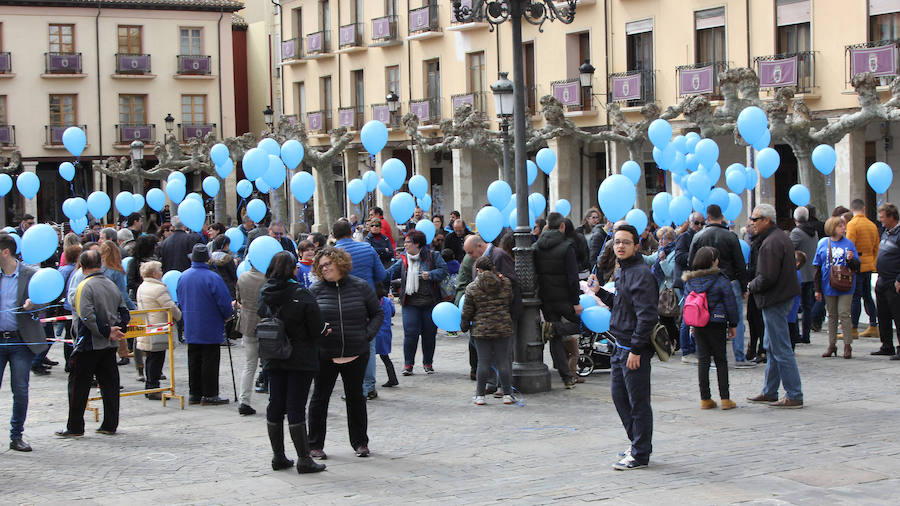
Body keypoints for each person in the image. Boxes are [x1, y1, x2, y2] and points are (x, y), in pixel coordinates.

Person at [585, 224, 658, 470]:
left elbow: (647, 315)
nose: (620, 246)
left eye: (626, 242)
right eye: (617, 242)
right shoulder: (624, 270)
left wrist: (637, 349)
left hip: (632, 348)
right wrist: (600, 293)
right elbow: (622, 304)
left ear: (636, 246)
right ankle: (637, 443)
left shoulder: (641, 273)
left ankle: (640, 453)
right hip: (619, 343)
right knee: (619, 397)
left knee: (637, 402)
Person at [307, 247, 384, 459]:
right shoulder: (315, 291)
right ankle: (314, 444)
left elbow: (377, 313)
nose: (324, 269)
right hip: (325, 354)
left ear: (339, 263)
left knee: (356, 399)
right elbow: (308, 321)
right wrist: (317, 336)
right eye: (320, 266)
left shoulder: (360, 286)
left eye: (327, 264)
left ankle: (360, 442)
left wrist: (366, 335)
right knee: (319, 399)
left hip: (356, 353)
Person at [258, 251, 328, 474]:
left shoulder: (265, 292)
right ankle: (304, 458)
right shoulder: (302, 294)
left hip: (273, 353)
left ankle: (278, 456)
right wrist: (324, 330)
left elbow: (262, 315)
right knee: (296, 406)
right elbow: (316, 328)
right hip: (300, 356)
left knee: (275, 403)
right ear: (291, 269)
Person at [56, 249, 130, 438]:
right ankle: (110, 423)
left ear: (82, 266)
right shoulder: (111, 284)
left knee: (78, 387)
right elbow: (124, 311)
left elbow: (87, 316)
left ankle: (75, 426)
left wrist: (107, 331)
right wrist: (117, 329)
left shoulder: (84, 286)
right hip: (107, 344)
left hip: (88, 343)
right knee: (110, 385)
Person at [746, 204, 803, 409]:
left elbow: (767, 277)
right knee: (772, 346)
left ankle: (794, 393)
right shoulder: (777, 238)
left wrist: (751, 286)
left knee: (780, 348)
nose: (751, 222)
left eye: (755, 219)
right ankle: (770, 391)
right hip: (779, 297)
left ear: (766, 220)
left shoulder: (771, 242)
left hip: (775, 299)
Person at [688, 204, 753, 368]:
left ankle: (705, 355)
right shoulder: (730, 237)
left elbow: (691, 262)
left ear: (707, 218)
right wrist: (744, 286)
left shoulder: (698, 236)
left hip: (704, 283)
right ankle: (739, 356)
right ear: (721, 216)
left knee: (703, 316)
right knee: (735, 317)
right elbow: (740, 263)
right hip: (729, 281)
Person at [0, 233, 47, 451]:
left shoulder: (30, 275)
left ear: (5, 252)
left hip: (20, 341)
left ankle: (16, 435)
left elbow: (44, 303)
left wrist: (34, 305)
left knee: (20, 389)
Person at [333, 219, 387, 399]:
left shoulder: (332, 254)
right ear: (351, 231)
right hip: (367, 301)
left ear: (333, 235)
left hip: (342, 304)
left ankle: (355, 388)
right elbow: (382, 274)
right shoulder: (367, 248)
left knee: (347, 347)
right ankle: (368, 386)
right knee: (369, 345)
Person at [682, 246, 739, 410]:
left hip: (699, 323)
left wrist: (691, 323)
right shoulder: (720, 279)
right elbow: (730, 303)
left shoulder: (690, 281)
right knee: (721, 360)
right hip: (717, 322)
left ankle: (705, 398)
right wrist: (733, 324)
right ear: (712, 261)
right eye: (716, 259)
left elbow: (688, 304)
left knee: (703, 360)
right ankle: (725, 398)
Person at [177, 244, 234, 406]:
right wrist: (227, 315)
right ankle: (209, 394)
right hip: (210, 324)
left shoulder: (184, 276)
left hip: (191, 324)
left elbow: (180, 298)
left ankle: (194, 393)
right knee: (210, 359)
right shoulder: (213, 277)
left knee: (194, 359)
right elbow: (224, 302)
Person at [388, 230, 447, 375]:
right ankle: (408, 364)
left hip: (430, 303)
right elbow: (388, 273)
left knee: (429, 334)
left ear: (417, 243)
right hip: (410, 303)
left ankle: (428, 363)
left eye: (408, 242)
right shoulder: (403, 259)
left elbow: (444, 270)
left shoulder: (433, 256)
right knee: (410, 334)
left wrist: (430, 275)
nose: (405, 245)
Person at [534, 213, 582, 388]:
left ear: (547, 226)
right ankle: (567, 377)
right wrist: (576, 301)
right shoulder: (566, 246)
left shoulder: (537, 246)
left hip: (546, 298)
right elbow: (572, 277)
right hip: (564, 298)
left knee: (555, 337)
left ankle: (567, 377)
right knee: (582, 325)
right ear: (562, 226)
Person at [460, 256, 515, 405]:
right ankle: (507, 395)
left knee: (483, 363)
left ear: (478, 269)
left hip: (481, 329)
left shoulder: (472, 287)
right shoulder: (506, 284)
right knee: (503, 362)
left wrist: (464, 325)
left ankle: (480, 396)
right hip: (503, 327)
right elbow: (510, 301)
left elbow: (467, 311)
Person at [813, 216, 860, 358]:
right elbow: (817, 268)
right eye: (840, 226)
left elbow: (857, 266)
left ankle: (847, 345)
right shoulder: (823, 243)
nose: (843, 229)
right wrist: (817, 289)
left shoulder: (849, 244)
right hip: (829, 283)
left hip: (846, 284)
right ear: (832, 228)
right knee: (832, 315)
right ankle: (832, 344)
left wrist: (851, 260)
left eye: (843, 226)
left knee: (844, 314)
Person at [135, 260, 181, 399]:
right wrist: (178, 315)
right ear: (154, 273)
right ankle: (153, 387)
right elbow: (170, 307)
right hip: (158, 327)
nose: (162, 272)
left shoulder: (143, 286)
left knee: (151, 357)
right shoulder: (158, 288)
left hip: (148, 326)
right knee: (156, 358)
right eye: (160, 269)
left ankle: (151, 386)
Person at [846, 199, 880, 339]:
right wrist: (873, 262)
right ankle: (873, 325)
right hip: (869, 265)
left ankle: (853, 328)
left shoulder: (852, 225)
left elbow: (849, 246)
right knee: (867, 296)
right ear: (864, 208)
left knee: (855, 297)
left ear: (852, 209)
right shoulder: (872, 225)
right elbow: (876, 247)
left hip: (857, 265)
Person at [235, 263, 266, 416]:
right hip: (266, 325)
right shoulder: (267, 278)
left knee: (249, 364)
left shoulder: (242, 277)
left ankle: (244, 400)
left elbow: (239, 299)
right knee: (270, 364)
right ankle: (276, 400)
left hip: (248, 323)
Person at [674, 212, 704, 362]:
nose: (699, 226)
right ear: (691, 223)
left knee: (696, 314)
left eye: (702, 223)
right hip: (686, 281)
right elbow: (679, 257)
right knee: (688, 315)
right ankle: (686, 350)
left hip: (697, 280)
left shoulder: (701, 236)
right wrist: (697, 257)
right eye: (697, 223)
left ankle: (693, 347)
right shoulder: (685, 237)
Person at [873, 203, 900, 359]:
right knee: (882, 314)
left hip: (893, 281)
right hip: (882, 280)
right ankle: (886, 345)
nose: (880, 220)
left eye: (883, 217)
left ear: (891, 217)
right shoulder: (885, 232)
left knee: (897, 315)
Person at [789, 206, 817, 344]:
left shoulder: (796, 232)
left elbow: (788, 249)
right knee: (807, 306)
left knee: (794, 305)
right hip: (811, 273)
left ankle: (795, 334)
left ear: (795, 219)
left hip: (799, 273)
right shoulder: (814, 232)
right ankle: (806, 335)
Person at [374, 284, 398, 388]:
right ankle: (392, 378)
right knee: (385, 357)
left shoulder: (371, 302)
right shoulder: (387, 301)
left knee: (368, 358)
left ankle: (367, 381)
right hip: (386, 333)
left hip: (375, 333)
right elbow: (393, 313)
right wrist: (392, 301)